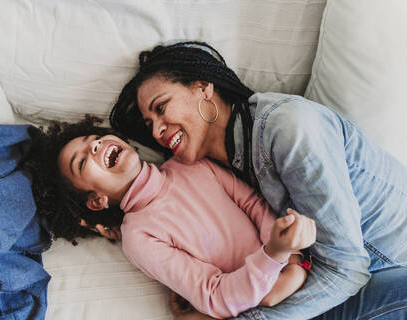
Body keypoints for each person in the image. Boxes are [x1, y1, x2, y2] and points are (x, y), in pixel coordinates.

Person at [109, 41, 407, 319]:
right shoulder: (209, 168)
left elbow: (346, 268)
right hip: (326, 284)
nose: (157, 130)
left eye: (161, 108)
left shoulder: (289, 128)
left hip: (384, 264)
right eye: (149, 124)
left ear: (202, 88)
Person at [22, 116, 316, 319]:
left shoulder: (192, 164)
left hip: (296, 266)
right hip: (257, 304)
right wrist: (272, 260)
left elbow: (252, 204)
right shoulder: (139, 236)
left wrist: (290, 259)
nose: (95, 145)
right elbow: (213, 296)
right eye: (83, 161)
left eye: (95, 138)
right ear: (97, 201)